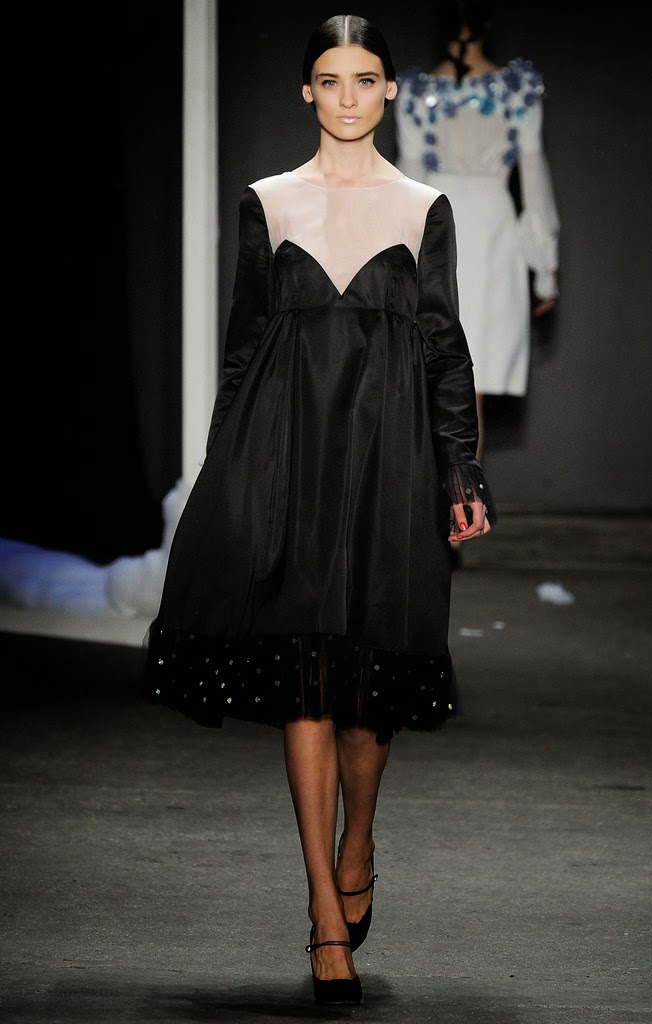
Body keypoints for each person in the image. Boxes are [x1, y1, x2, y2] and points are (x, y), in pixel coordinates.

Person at [144, 12, 495, 1006]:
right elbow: (243, 344)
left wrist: (462, 473)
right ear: (307, 90)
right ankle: (321, 912)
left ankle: (358, 839)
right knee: (303, 677)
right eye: (330, 80)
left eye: (365, 79)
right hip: (283, 454)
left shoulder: (422, 206)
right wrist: (221, 472)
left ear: (390, 91)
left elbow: (442, 345)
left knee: (368, 691)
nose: (348, 97)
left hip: (389, 463)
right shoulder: (268, 200)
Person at [394, 0, 560, 462]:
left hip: (440, 228)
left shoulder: (415, 92)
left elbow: (407, 182)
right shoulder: (518, 89)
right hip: (490, 231)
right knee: (471, 384)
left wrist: (396, 261)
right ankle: (461, 502)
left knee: (437, 378)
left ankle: (442, 501)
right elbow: (533, 177)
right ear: (486, 22)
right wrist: (545, 270)